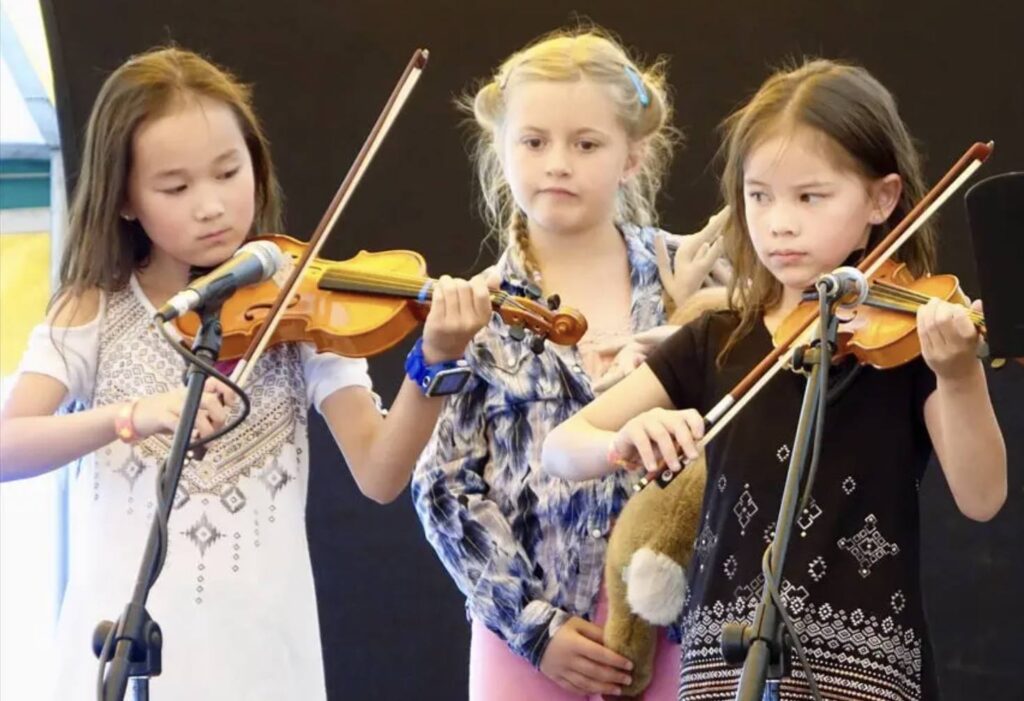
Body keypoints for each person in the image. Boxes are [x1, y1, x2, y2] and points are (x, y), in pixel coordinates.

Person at [0, 46, 493, 699]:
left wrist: (434, 359)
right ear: (124, 198)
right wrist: (131, 414)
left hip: (263, 656)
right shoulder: (96, 305)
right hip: (119, 641)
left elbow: (380, 473)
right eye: (175, 187)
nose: (211, 206)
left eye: (229, 172)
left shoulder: (302, 306)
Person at [542, 59, 1007, 700]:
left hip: (861, 676)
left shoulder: (911, 344)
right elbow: (561, 448)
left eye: (809, 197)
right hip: (724, 666)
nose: (778, 222)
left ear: (883, 198)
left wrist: (956, 375)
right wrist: (624, 439)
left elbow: (983, 497)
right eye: (759, 196)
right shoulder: (718, 340)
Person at [411, 27, 723, 699]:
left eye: (586, 144)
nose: (557, 163)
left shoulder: (687, 281)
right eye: (533, 142)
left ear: (632, 157)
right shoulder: (480, 310)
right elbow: (444, 489)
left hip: (673, 623)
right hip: (529, 643)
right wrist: (535, 628)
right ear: (502, 151)